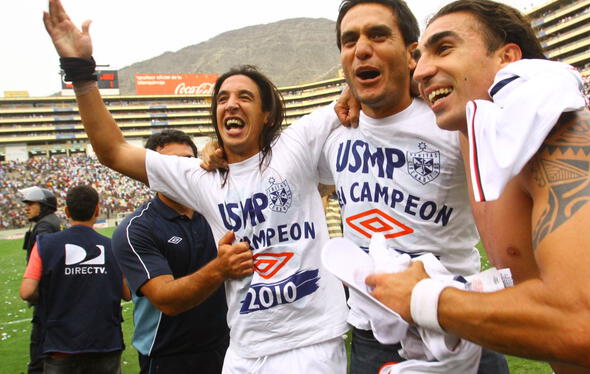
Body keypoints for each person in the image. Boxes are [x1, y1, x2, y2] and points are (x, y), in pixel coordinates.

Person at [43, 1, 348, 373]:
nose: (231, 104)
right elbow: (113, 151)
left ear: (267, 114)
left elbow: (360, 96)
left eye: (244, 97)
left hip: (308, 344)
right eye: (222, 99)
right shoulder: (201, 177)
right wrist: (80, 71)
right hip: (243, 349)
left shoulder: (297, 144)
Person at [364, 1, 590, 373]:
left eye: (444, 48)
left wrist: (424, 298)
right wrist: (360, 96)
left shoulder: (562, 135)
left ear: (508, 58)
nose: (421, 72)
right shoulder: (476, 134)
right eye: (420, 58)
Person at [322, 1, 508, 372]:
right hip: (372, 336)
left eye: (378, 35)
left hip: (457, 324)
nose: (361, 49)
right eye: (349, 40)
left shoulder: (452, 120)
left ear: (412, 54)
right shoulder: (330, 133)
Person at [111, 130, 236, 374]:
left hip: (228, 348)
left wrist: (220, 150)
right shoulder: (136, 229)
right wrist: (220, 269)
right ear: (152, 172)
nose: (181, 169)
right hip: (169, 357)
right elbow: (167, 301)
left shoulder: (219, 210)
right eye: (170, 163)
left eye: (188, 160)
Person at [19, 185, 130, 374]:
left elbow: (27, 291)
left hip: (61, 344)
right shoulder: (112, 246)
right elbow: (127, 294)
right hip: (104, 343)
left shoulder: (45, 244)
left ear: (67, 211)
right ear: (97, 210)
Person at [19, 186, 63, 374]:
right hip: (57, 299)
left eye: (31, 203)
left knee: (38, 358)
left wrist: (36, 292)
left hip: (47, 301)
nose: (26, 208)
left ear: (43, 205)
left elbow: (48, 263)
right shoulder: (53, 222)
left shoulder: (45, 226)